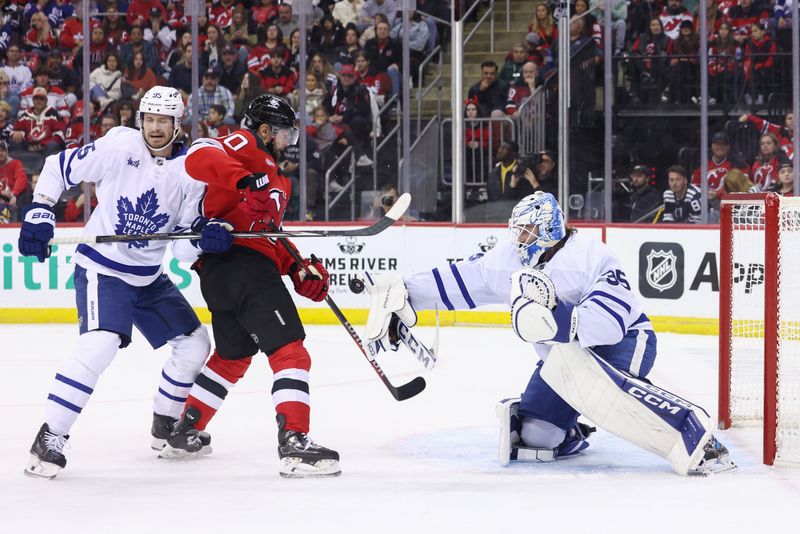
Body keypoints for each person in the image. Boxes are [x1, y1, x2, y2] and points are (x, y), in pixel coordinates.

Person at [361, 192, 735, 476]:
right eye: (518, 230)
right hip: (564, 359)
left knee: (608, 394)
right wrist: (404, 291)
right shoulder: (510, 257)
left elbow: (611, 324)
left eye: (528, 230)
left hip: (625, 344)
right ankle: (573, 427)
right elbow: (464, 280)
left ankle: (698, 436)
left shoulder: (591, 256)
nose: (520, 237)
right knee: (537, 439)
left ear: (551, 227)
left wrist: (558, 318)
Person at [18, 86, 226, 479]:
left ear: (177, 124)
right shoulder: (119, 147)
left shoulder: (191, 171)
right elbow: (56, 166)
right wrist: (41, 208)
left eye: (164, 120)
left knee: (195, 343)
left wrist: (203, 237)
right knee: (99, 345)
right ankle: (49, 436)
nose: (155, 127)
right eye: (149, 118)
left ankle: (166, 427)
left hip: (148, 277)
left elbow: (182, 249)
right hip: (104, 268)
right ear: (140, 119)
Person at [164, 94, 341, 478]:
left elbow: (267, 236)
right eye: (284, 135)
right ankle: (294, 442)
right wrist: (243, 177)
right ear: (264, 130)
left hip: (228, 273)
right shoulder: (247, 146)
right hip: (240, 266)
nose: (287, 143)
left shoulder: (278, 180)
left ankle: (186, 429)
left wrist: (298, 269)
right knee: (291, 352)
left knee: (234, 356)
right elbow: (198, 155)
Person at [690, 132, 750, 201]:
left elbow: (742, 186)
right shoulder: (702, 163)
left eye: (723, 144)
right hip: (706, 202)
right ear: (712, 145)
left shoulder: (738, 163)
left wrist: (717, 194)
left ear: (728, 146)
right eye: (717, 144)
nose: (720, 147)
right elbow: (695, 186)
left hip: (729, 201)